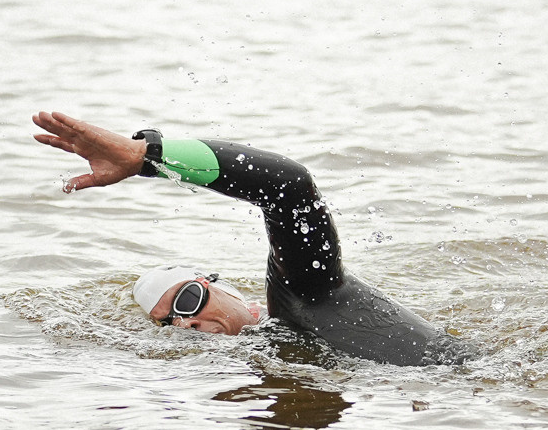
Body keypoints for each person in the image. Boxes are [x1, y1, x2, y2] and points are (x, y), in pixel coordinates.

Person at [32, 111, 477, 367]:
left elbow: (288, 188)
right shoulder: (266, 356)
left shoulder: (307, 295)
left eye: (187, 301)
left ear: (225, 290)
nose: (184, 323)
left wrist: (150, 156)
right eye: (167, 324)